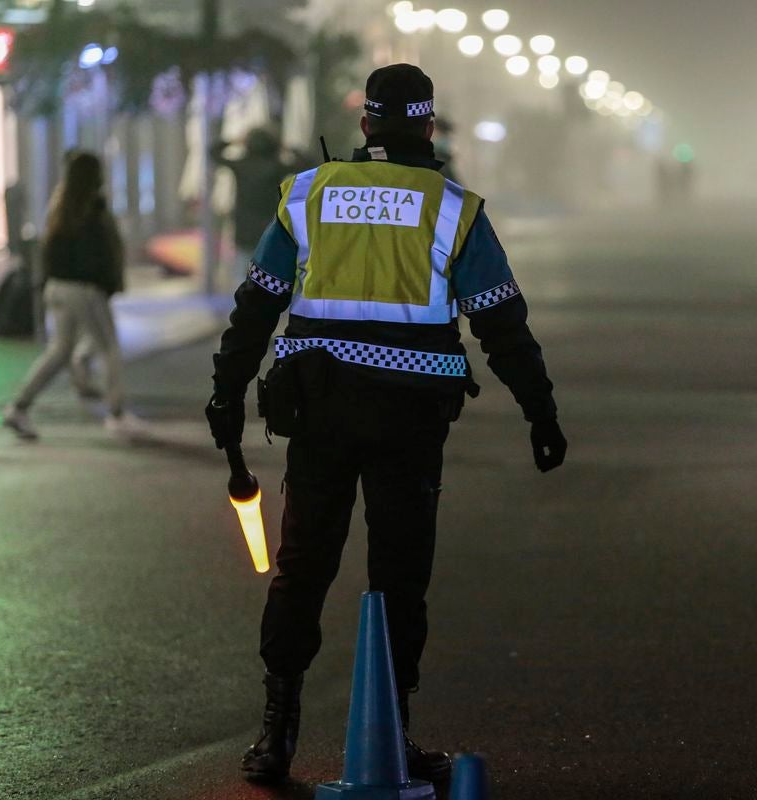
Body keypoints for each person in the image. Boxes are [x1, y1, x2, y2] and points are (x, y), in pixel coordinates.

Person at [206, 64, 567, 785]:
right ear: (428, 128)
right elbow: (502, 323)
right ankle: (392, 737)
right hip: (410, 417)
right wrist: (540, 410)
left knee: (303, 566)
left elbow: (257, 305)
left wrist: (227, 393)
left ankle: (276, 734)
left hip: (319, 411)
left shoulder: (308, 194)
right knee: (400, 574)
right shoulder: (452, 207)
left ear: (365, 123)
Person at [3, 152, 140, 440]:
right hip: (85, 289)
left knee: (60, 351)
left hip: (58, 287)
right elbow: (100, 255)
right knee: (110, 349)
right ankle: (116, 414)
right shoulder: (92, 209)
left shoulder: (60, 206)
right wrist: (108, 282)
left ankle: (18, 406)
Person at [211, 128, 309, 285]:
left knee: (242, 269)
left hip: (244, 225)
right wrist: (288, 147)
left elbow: (213, 152)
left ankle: (244, 302)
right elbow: (307, 163)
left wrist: (234, 141)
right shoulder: (277, 166)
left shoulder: (241, 165)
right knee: (271, 269)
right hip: (270, 223)